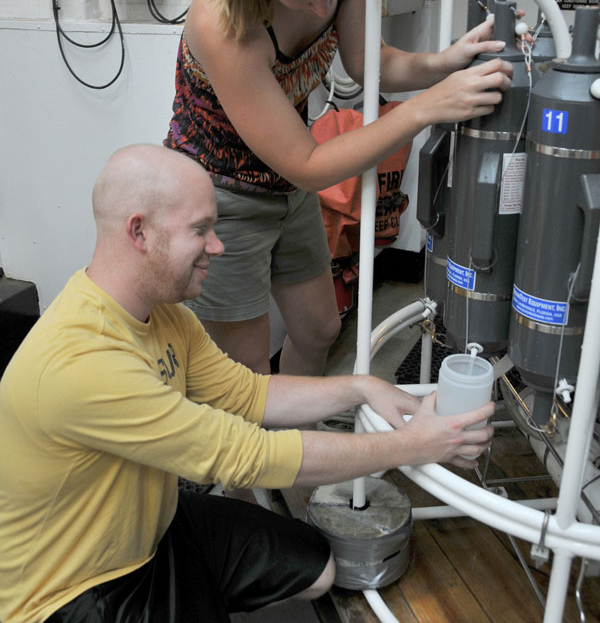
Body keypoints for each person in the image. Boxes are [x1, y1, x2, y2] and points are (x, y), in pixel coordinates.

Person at [0, 144, 495, 623]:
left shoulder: (164, 313)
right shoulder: (83, 365)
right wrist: (409, 447)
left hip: (154, 527)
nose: (217, 245)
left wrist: (362, 386)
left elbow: (249, 393)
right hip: (75, 591)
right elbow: (252, 456)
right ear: (139, 232)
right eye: (201, 230)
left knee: (319, 570)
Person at [163, 0, 513, 376]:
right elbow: (308, 163)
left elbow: (368, 63)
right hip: (219, 201)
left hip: (285, 189)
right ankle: (258, 459)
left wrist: (443, 62)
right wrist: (425, 109)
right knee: (246, 371)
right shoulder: (222, 20)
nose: (324, 4)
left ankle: (297, 449)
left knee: (320, 329)